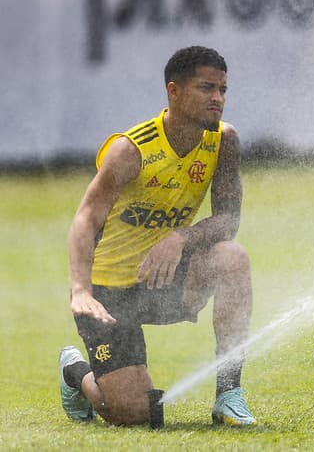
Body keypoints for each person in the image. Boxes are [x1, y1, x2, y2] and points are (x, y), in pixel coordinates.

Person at [59, 45, 255, 426]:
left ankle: (229, 394)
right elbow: (84, 220)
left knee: (233, 257)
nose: (217, 98)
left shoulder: (223, 141)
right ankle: (75, 372)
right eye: (206, 88)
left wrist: (180, 238)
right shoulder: (130, 151)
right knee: (134, 416)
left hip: (163, 281)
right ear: (174, 91)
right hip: (107, 293)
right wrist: (80, 291)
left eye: (223, 90)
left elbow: (228, 219)